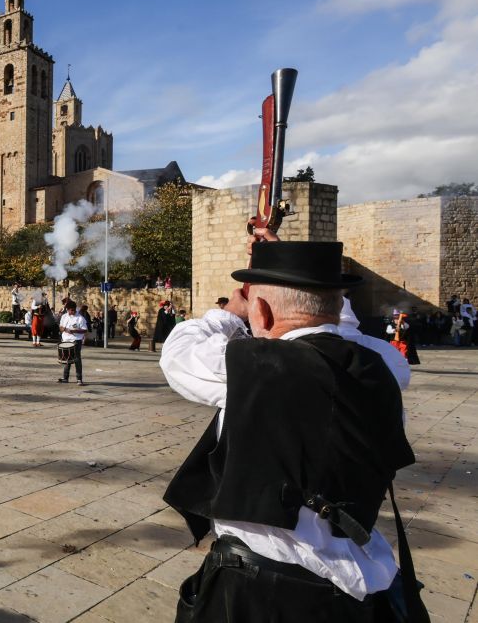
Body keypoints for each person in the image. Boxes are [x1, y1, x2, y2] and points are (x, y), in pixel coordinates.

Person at [159, 239, 420, 623]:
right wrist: (297, 267)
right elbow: (338, 330)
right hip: (366, 581)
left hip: (268, 590)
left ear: (259, 311)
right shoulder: (385, 366)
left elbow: (179, 351)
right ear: (334, 303)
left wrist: (230, 313)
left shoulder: (258, 370)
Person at [57, 300, 88, 385]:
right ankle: (65, 377)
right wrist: (65, 329)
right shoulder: (64, 316)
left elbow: (85, 330)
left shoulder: (80, 318)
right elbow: (60, 327)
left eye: (73, 310)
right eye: (71, 310)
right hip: (66, 340)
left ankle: (79, 379)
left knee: (77, 359)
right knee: (67, 359)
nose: (72, 312)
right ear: (67, 309)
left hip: (76, 340)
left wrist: (75, 331)